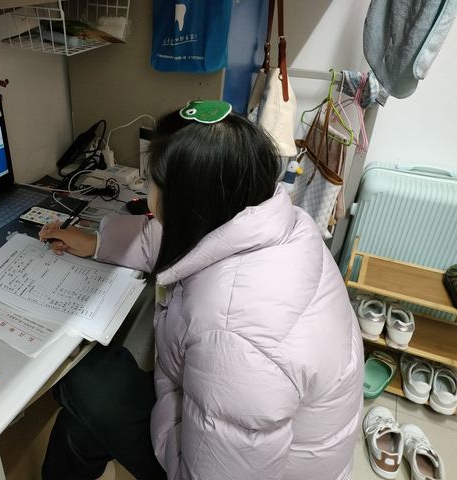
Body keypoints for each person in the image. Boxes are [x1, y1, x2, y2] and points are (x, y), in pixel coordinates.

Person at [39, 100, 364, 480]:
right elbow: (175, 238)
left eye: (151, 182)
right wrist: (96, 241)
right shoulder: (278, 221)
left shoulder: (233, 336)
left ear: (186, 204)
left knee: (86, 380)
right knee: (79, 427)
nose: (147, 191)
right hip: (253, 438)